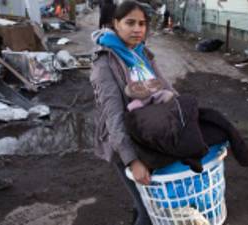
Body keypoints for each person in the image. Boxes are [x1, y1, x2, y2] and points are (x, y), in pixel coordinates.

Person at [90, 1, 176, 224]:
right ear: (115, 24)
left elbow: (165, 86)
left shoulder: (141, 53)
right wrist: (132, 161)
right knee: (151, 211)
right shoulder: (104, 63)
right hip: (124, 142)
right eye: (130, 23)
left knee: (147, 203)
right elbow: (113, 117)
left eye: (142, 23)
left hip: (148, 135)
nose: (137, 29)